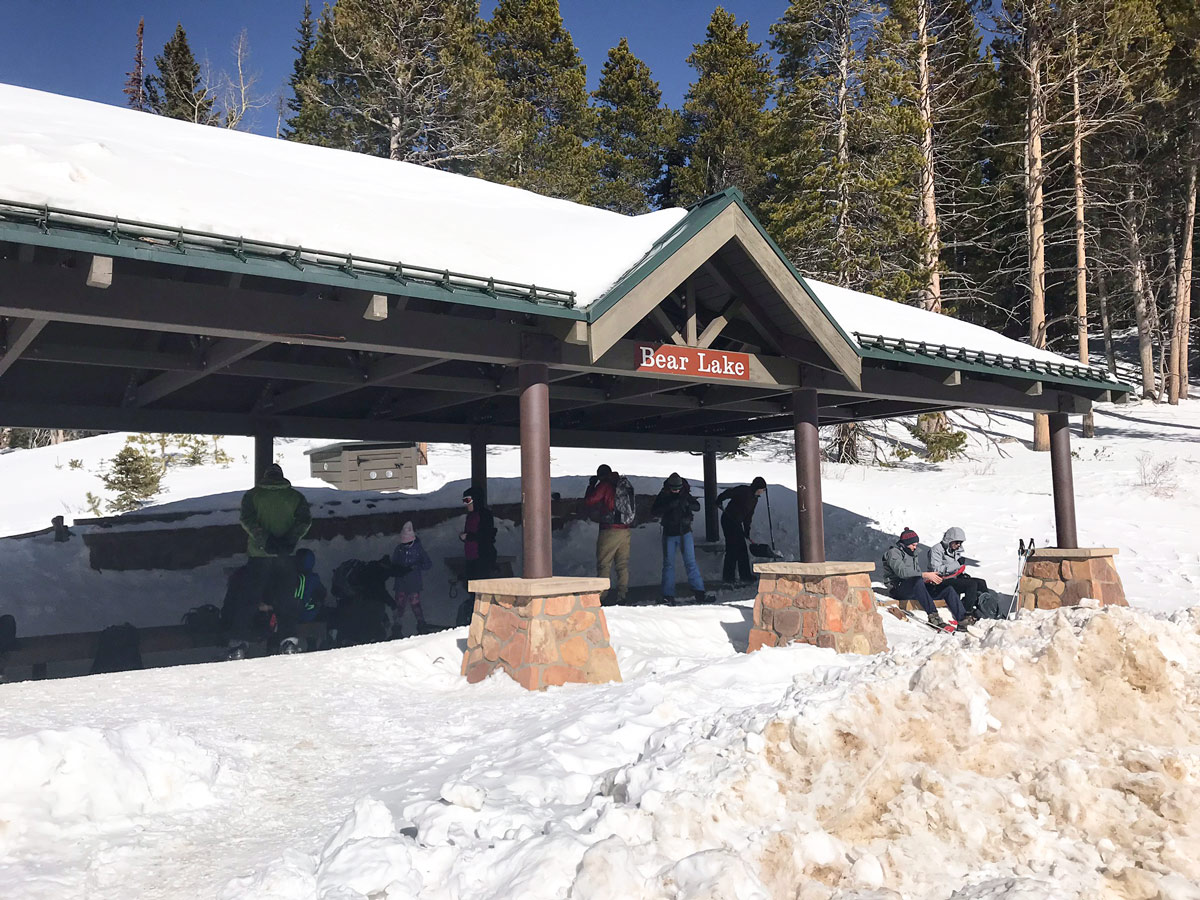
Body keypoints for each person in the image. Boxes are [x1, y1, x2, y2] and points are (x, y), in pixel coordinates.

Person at [229, 463, 313, 658]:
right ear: (282, 477)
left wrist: (264, 540)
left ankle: (239, 643)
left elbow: (246, 520)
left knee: (249, 599)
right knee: (286, 599)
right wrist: (289, 540)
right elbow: (305, 521)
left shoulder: (252, 496)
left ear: (265, 476)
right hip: (285, 556)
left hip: (259, 555)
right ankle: (288, 641)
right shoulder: (295, 497)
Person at [882, 527, 973, 631]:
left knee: (947, 589)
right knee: (917, 581)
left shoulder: (912, 553)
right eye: (913, 545)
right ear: (904, 543)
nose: (915, 547)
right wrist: (924, 575)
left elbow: (916, 575)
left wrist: (928, 580)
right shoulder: (893, 553)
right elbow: (902, 572)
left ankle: (962, 619)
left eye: (916, 545)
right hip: (898, 588)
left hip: (914, 586)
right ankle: (933, 617)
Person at [651, 472, 713, 605]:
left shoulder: (684, 493)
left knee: (690, 563)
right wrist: (671, 505)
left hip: (684, 532)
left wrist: (686, 505)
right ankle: (668, 595)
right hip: (671, 533)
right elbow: (655, 511)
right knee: (669, 565)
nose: (676, 491)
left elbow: (697, 506)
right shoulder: (664, 495)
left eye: (678, 489)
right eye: (674, 489)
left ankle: (699, 592)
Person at [583, 464, 636, 605]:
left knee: (604, 563)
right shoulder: (622, 484)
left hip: (610, 529)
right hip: (625, 529)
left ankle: (602, 595)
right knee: (622, 564)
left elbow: (590, 501)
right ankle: (623, 594)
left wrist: (592, 485)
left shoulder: (605, 485)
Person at [930, 527, 994, 618]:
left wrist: (961, 574)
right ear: (949, 540)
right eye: (957, 542)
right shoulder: (936, 550)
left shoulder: (955, 550)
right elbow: (936, 570)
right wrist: (957, 564)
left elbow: (955, 567)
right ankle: (966, 613)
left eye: (961, 543)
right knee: (971, 585)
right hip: (940, 581)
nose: (959, 545)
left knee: (980, 582)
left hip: (954, 577)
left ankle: (987, 608)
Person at [457, 486, 497, 625]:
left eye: (468, 500)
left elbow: (487, 536)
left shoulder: (484, 514)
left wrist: (470, 536)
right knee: (470, 587)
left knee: (481, 589)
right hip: (471, 558)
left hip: (482, 557)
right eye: (464, 501)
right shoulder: (470, 516)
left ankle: (483, 616)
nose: (466, 504)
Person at [717, 476, 767, 586]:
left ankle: (745, 575)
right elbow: (729, 493)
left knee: (742, 549)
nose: (763, 492)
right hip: (728, 520)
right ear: (758, 488)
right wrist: (720, 499)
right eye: (763, 489)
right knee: (732, 548)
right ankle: (728, 577)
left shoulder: (754, 499)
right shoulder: (744, 491)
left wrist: (747, 530)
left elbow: (748, 516)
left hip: (737, 523)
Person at [391, 520, 433, 636]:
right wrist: (398, 569)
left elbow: (428, 564)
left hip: (414, 582)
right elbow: (393, 564)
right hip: (401, 582)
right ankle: (397, 626)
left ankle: (421, 623)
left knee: (415, 604)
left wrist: (415, 566)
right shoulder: (399, 549)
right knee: (399, 604)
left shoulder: (419, 550)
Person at [293, 548, 328, 625]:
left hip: (302, 617)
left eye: (297, 559)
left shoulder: (304, 580)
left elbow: (298, 605)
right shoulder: (313, 579)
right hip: (309, 615)